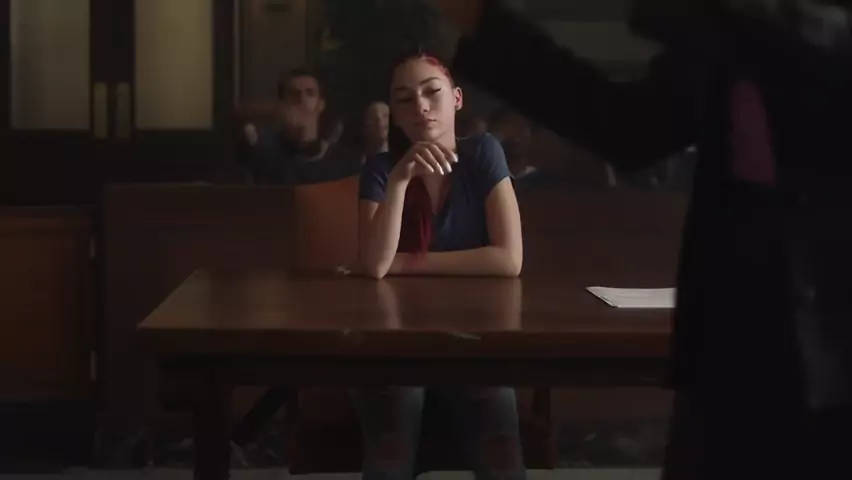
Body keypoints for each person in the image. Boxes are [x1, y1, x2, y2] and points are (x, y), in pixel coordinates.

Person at [432, 0, 852, 478]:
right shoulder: (728, 32)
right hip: (732, 323)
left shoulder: (763, 26)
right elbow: (630, 127)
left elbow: (818, 56)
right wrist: (480, 21)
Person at [354, 49, 525, 480]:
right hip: (393, 340)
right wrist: (399, 181)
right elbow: (374, 264)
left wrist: (406, 264)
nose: (421, 106)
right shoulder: (380, 169)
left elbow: (509, 259)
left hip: (474, 335)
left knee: (502, 454)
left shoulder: (483, 153)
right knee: (389, 453)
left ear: (457, 99)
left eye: (432, 92)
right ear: (394, 113)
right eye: (404, 99)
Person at [241, 68, 360, 185]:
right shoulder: (265, 156)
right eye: (293, 94)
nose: (302, 100)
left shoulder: (345, 162)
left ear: (321, 104)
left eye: (310, 93)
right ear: (282, 104)